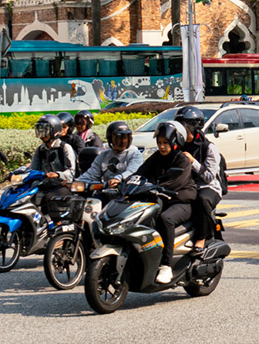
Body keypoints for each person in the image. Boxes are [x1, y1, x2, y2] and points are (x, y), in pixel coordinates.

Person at [135, 121, 198, 283]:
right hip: (160, 199)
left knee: (165, 219)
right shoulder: (156, 157)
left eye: (165, 143)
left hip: (182, 201)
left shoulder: (182, 160)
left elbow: (174, 183)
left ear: (175, 142)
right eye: (159, 143)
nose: (162, 146)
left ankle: (165, 265)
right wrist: (126, 182)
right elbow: (140, 173)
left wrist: (154, 187)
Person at [176, 106, 223, 247]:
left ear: (194, 129)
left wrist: (192, 161)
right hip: (186, 186)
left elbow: (209, 177)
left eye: (185, 129)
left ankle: (201, 237)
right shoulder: (178, 146)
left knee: (202, 199)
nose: (182, 133)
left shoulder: (208, 148)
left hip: (207, 187)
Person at [76, 121, 143, 189]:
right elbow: (91, 174)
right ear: (110, 139)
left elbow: (133, 171)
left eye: (125, 137)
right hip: (106, 191)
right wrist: (76, 182)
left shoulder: (134, 154)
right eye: (118, 138)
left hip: (126, 193)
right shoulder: (103, 155)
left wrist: (118, 178)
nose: (123, 141)